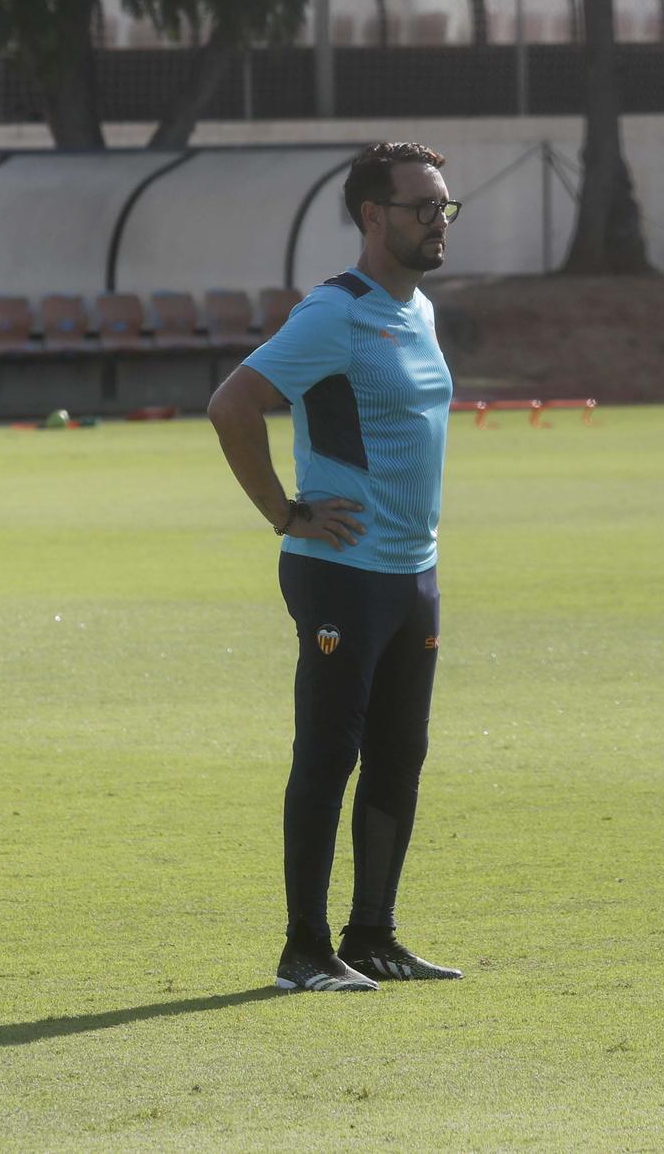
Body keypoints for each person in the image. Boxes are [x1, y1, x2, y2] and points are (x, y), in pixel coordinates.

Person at [206, 141, 464, 993]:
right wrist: (286, 513)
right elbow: (233, 403)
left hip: (411, 573)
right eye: (421, 206)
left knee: (400, 755)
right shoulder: (335, 312)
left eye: (444, 206)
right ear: (372, 216)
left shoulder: (418, 310)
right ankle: (304, 951)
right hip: (340, 573)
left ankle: (375, 936)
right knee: (329, 754)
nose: (437, 221)